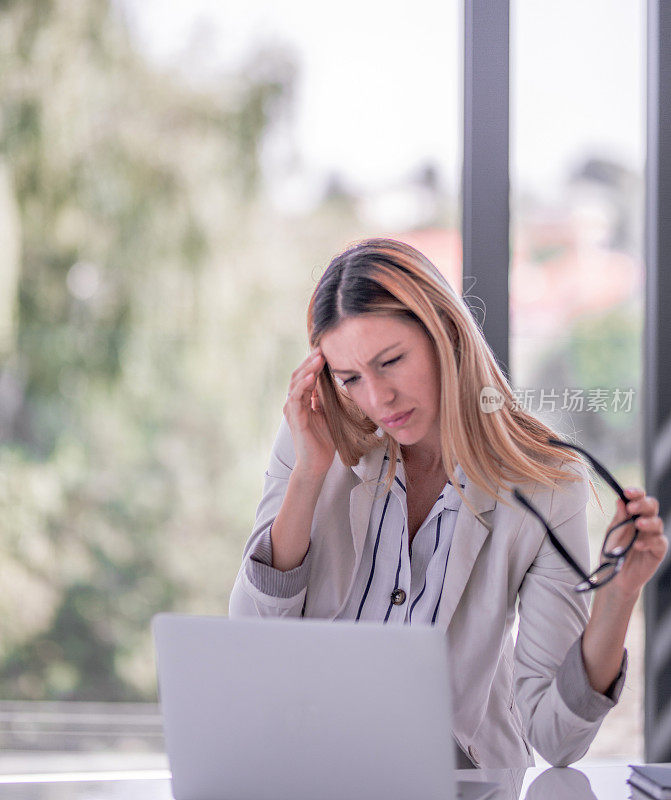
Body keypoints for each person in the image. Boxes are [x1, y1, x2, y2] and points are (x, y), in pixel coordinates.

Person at [228, 237, 666, 768]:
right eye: (350, 379)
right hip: (312, 768)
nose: (377, 398)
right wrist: (309, 475)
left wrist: (618, 596)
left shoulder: (547, 486)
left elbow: (557, 739)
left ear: (446, 336)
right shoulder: (310, 442)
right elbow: (252, 641)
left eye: (391, 361)